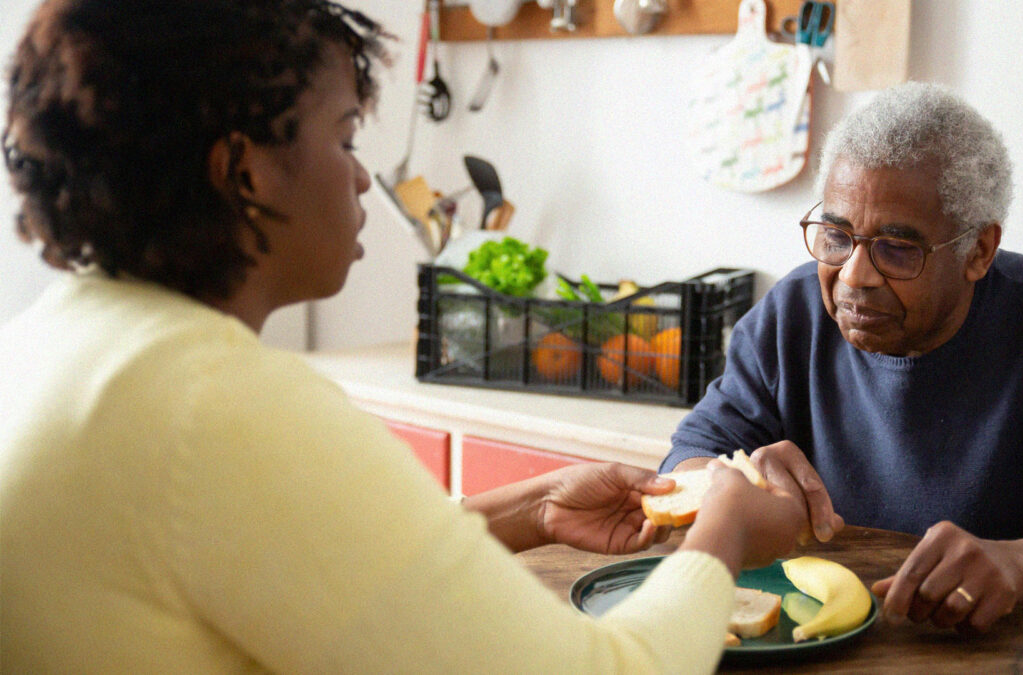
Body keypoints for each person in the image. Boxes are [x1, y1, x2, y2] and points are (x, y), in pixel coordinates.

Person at [0, 1, 806, 672]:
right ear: (243, 172)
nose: (360, 176)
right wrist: (722, 532)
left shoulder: (53, 346)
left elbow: (318, 567)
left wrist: (529, 507)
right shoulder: (219, 405)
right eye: (347, 136)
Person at [663, 82, 1023, 633]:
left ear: (979, 251)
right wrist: (726, 481)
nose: (854, 275)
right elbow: (688, 457)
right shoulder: (791, 316)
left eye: (898, 249)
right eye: (836, 235)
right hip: (821, 643)